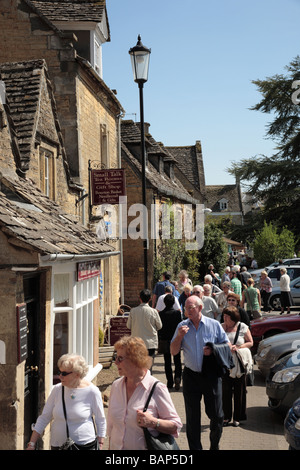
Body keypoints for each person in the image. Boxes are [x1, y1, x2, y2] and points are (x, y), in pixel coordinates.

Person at [170, 295, 230, 450]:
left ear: (200, 308)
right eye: (186, 308)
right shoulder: (182, 326)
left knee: (216, 416)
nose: (188, 311)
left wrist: (213, 350)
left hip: (211, 375)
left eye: (191, 308)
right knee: (192, 418)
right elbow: (173, 351)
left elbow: (227, 346)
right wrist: (179, 337)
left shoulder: (214, 325)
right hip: (191, 376)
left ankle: (214, 446)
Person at [107, 336, 182, 450]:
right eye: (115, 358)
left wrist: (153, 422)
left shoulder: (156, 388)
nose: (116, 362)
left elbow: (175, 426)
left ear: (135, 359)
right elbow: (112, 427)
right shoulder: (116, 386)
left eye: (120, 358)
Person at [26, 354, 106, 450]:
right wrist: (32, 443)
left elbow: (100, 420)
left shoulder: (92, 391)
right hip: (58, 445)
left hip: (84, 445)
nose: (60, 376)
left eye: (64, 373)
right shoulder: (57, 390)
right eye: (59, 372)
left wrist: (100, 443)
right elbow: (44, 417)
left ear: (77, 374)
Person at [221, 306, 253, 427]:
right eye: (224, 316)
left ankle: (238, 417)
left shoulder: (243, 327)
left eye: (227, 316)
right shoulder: (222, 327)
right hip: (225, 364)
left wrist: (238, 347)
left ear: (233, 318)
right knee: (225, 391)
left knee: (240, 392)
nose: (224, 318)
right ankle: (226, 416)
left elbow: (250, 342)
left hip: (239, 364)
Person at [126, 289, 162, 359]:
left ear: (140, 298)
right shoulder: (154, 312)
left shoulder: (133, 311)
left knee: (137, 365)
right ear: (150, 299)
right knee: (149, 365)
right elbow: (160, 326)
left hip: (136, 342)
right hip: (150, 343)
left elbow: (128, 326)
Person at [158, 294, 183, 390]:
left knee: (167, 361)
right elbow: (180, 326)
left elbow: (159, 328)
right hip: (175, 339)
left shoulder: (160, 314)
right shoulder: (177, 314)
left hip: (164, 339)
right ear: (174, 303)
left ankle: (169, 381)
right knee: (177, 360)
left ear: (164, 303)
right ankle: (177, 377)